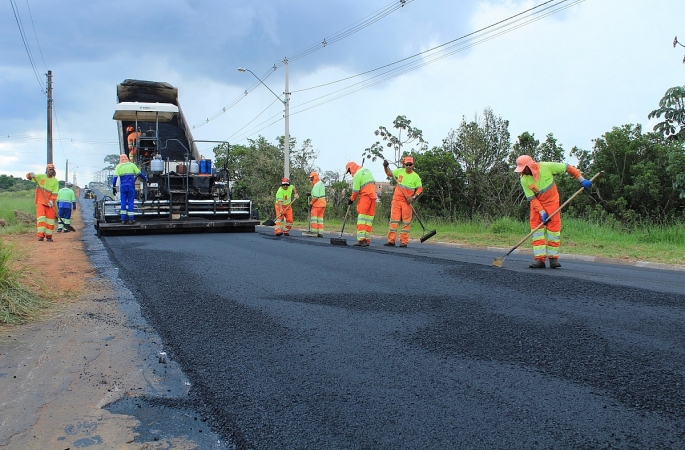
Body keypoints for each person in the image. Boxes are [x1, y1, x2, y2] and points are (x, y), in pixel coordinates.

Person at [514, 154, 592, 269]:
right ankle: (539, 260)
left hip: (552, 203)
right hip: (536, 206)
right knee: (537, 232)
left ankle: (553, 259)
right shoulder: (524, 179)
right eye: (521, 169)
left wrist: (581, 179)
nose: (523, 171)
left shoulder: (547, 167)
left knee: (554, 231)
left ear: (530, 166)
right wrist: (541, 212)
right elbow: (532, 198)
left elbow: (567, 167)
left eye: (524, 168)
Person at [383, 156, 423, 248]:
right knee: (393, 221)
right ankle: (391, 241)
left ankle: (404, 241)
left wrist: (413, 197)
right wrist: (385, 167)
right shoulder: (399, 171)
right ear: (404, 164)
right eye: (407, 164)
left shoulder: (415, 176)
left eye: (410, 164)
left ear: (413, 165)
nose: (409, 166)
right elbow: (389, 173)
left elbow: (420, 189)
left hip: (407, 202)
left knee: (406, 222)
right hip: (396, 200)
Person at [345, 161, 376, 247]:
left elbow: (355, 191)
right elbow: (373, 182)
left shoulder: (357, 175)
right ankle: (367, 240)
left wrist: (351, 199)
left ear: (351, 168)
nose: (350, 173)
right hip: (373, 197)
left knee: (362, 219)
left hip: (365, 197)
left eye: (349, 171)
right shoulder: (367, 170)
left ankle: (362, 240)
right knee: (368, 220)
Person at [26, 163, 60, 242]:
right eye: (50, 169)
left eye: (52, 169)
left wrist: (52, 200)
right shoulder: (40, 177)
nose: (51, 171)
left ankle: (49, 237)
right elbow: (28, 177)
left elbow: (55, 193)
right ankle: (40, 236)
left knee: (50, 220)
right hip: (40, 202)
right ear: (47, 170)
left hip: (50, 204)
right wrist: (30, 174)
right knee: (41, 219)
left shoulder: (55, 181)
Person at [112, 154, 148, 224]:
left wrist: (113, 187)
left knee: (123, 202)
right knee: (130, 202)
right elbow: (139, 173)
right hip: (131, 186)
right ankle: (131, 219)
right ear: (127, 158)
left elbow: (114, 179)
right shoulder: (132, 165)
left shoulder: (118, 167)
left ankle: (123, 219)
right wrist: (145, 179)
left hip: (123, 187)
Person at [308, 171, 326, 237]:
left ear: (314, 177)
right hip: (323, 204)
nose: (311, 179)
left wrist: (311, 203)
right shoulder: (321, 183)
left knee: (314, 219)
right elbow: (319, 193)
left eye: (311, 178)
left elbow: (316, 196)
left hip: (317, 204)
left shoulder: (316, 185)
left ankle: (314, 232)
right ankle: (320, 232)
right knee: (320, 219)